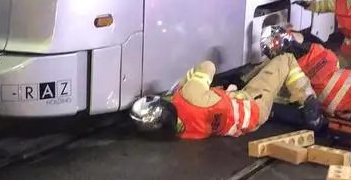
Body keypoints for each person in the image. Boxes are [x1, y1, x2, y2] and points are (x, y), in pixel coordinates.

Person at [129, 55, 322, 139]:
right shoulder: (187, 93)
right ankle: (310, 104)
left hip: (246, 124)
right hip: (253, 103)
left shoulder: (183, 133)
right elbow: (208, 67)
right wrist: (184, 82)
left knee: (264, 80)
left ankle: (251, 80)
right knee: (285, 60)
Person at [261, 24, 351, 114]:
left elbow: (283, 97)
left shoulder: (287, 71)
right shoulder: (315, 49)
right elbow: (334, 61)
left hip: (339, 108)